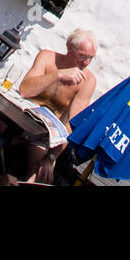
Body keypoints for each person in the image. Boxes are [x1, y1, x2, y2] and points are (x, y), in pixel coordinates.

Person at [17, 29, 98, 182]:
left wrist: (51, 157)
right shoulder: (47, 58)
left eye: (90, 58)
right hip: (19, 119)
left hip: (45, 137)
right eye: (82, 56)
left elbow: (72, 125)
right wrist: (57, 75)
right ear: (70, 49)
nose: (86, 63)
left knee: (40, 173)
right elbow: (24, 90)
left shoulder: (88, 81)